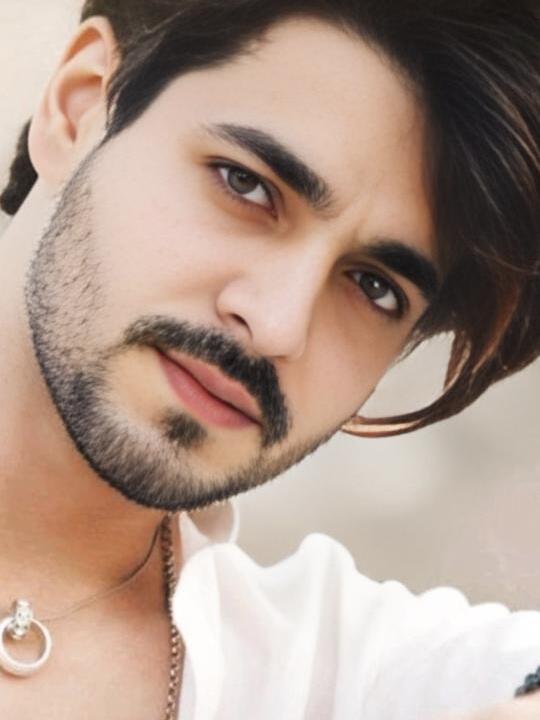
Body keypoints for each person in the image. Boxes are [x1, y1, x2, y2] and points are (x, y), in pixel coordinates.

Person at [1, 1, 539, 717]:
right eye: (246, 184)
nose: (277, 325)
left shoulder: (341, 680)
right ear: (78, 109)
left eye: (374, 287)